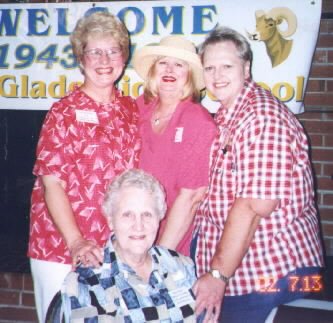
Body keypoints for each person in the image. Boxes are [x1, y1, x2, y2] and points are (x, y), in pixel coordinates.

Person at [192, 26, 324, 323]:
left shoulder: (263, 118)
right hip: (245, 272)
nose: (217, 75)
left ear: (246, 67)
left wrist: (216, 274)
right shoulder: (228, 114)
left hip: (276, 274)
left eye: (227, 66)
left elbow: (254, 206)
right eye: (210, 67)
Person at [28, 11, 141, 322]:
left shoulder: (131, 110)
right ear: (81, 59)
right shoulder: (63, 113)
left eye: (113, 50)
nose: (104, 59)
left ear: (124, 56)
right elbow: (52, 184)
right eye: (94, 51)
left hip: (114, 250)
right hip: (60, 247)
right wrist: (76, 241)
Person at [47, 169, 202, 322]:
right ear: (110, 220)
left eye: (147, 214)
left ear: (159, 217)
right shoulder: (87, 282)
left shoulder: (181, 266)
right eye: (128, 215)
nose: (139, 226)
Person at [132, 35, 217, 256]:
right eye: (163, 63)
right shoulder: (139, 108)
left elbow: (191, 197)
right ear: (153, 70)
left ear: (188, 75)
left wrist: (160, 256)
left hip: (172, 241)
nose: (169, 69)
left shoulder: (197, 120)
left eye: (179, 64)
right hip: (133, 234)